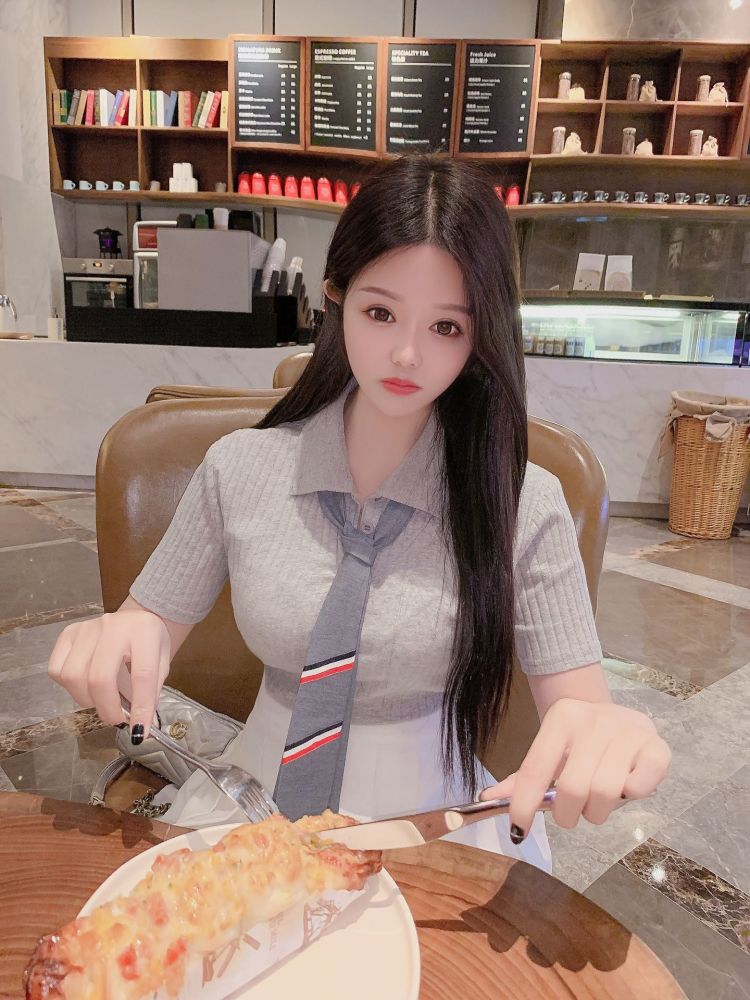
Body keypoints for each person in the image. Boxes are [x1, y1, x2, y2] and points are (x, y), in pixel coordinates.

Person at [48, 153, 671, 873]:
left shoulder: (522, 503)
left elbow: (581, 709)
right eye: (380, 313)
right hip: (250, 812)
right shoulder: (238, 467)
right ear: (335, 299)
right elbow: (145, 627)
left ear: (483, 336)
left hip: (435, 825)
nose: (406, 353)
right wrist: (122, 639)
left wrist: (609, 734)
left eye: (447, 327)